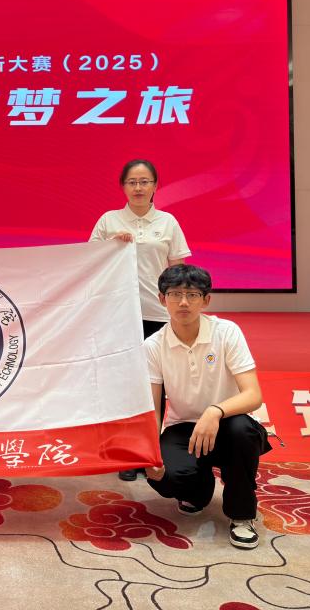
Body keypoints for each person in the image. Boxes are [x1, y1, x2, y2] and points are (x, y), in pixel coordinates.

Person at [142, 264, 271, 549]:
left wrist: (215, 411)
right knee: (163, 477)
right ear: (162, 299)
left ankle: (241, 515)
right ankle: (197, 491)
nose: (183, 302)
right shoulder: (153, 345)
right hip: (183, 428)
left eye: (192, 295)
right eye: (175, 294)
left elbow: (253, 395)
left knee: (242, 431)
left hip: (229, 423)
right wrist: (150, 453)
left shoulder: (226, 332)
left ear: (206, 300)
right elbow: (154, 408)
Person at [90, 159, 191, 481]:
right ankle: (126, 453)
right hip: (118, 314)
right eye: (132, 182)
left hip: (156, 313)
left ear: (155, 186)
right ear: (123, 186)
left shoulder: (167, 222)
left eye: (144, 182)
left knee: (154, 384)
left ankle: (150, 450)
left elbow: (179, 270)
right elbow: (88, 263)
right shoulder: (109, 220)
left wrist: (181, 307)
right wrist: (110, 246)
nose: (138, 188)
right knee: (123, 383)